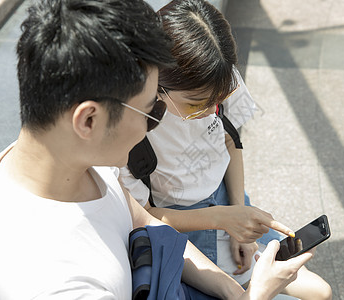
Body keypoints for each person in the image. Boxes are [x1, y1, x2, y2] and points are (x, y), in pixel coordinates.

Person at [0, 0, 315, 299]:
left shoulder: (64, 158)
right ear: (88, 120)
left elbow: (141, 218)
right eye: (150, 111)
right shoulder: (53, 284)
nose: (154, 124)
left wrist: (234, 294)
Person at [120, 1, 332, 299]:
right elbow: (142, 215)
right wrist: (224, 220)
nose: (210, 112)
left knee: (319, 291)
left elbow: (230, 141)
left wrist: (238, 216)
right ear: (157, 83)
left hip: (227, 202)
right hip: (181, 227)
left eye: (219, 99)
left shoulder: (217, 77)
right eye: (195, 104)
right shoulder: (130, 127)